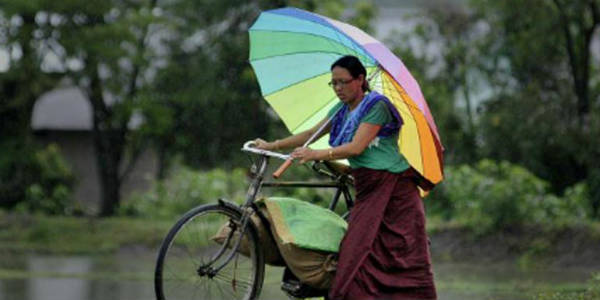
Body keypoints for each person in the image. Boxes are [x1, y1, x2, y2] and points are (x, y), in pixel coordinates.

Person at [254, 55, 437, 300]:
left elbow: (356, 147)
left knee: (391, 256)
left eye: (343, 82)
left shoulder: (378, 106)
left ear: (360, 79)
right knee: (360, 252)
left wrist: (316, 153)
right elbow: (310, 133)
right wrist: (273, 145)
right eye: (334, 83)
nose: (338, 88)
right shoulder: (341, 109)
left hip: (395, 191)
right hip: (367, 186)